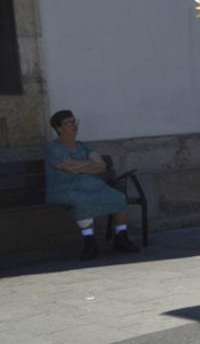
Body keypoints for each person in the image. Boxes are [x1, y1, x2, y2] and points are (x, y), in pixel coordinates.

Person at [44, 110, 141, 261]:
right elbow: (69, 167)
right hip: (62, 189)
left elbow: (101, 165)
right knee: (82, 201)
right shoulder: (53, 148)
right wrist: (89, 165)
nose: (74, 125)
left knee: (118, 197)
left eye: (74, 122)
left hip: (90, 186)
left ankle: (121, 238)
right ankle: (90, 243)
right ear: (58, 128)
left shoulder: (83, 146)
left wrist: (80, 166)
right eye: (68, 123)